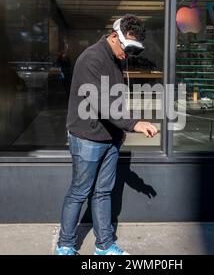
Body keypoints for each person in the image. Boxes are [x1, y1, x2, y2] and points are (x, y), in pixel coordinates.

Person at [56, 14, 158, 255]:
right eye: (129, 49)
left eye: (136, 51)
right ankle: (65, 245)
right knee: (79, 192)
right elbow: (101, 103)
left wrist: (120, 133)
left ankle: (104, 245)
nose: (130, 56)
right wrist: (134, 124)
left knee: (103, 192)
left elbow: (116, 98)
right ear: (114, 36)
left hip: (110, 138)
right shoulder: (91, 58)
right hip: (87, 138)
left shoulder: (117, 57)